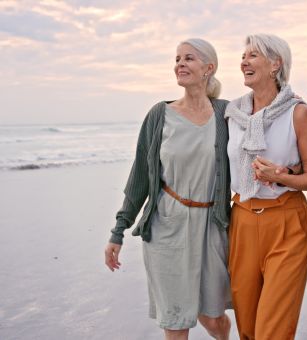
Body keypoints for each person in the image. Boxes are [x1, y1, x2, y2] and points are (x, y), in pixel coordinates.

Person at [104, 38, 232, 340]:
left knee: (213, 318)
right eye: (177, 59)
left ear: (208, 68)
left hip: (212, 227)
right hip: (167, 226)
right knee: (175, 321)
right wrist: (118, 230)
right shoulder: (159, 115)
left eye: (188, 58)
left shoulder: (227, 114)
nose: (180, 64)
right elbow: (139, 179)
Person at [225, 33, 307, 340]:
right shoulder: (231, 114)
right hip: (241, 220)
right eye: (243, 55)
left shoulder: (299, 112)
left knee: (273, 330)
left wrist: (281, 176)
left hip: (287, 222)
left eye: (253, 55)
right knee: (249, 328)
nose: (244, 61)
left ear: (276, 63)